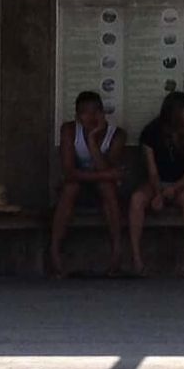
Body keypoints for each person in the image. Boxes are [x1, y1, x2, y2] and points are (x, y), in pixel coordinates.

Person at [50, 90, 129, 277]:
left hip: (102, 190)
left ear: (103, 113)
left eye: (95, 111)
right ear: (77, 116)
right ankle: (54, 252)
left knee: (107, 187)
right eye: (84, 112)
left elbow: (105, 165)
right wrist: (109, 174)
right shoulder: (69, 130)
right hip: (77, 188)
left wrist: (93, 141)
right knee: (70, 188)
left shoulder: (117, 135)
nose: (90, 117)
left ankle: (117, 251)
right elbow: (68, 172)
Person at [131, 89, 184, 277]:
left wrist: (175, 188)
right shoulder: (151, 132)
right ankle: (136, 259)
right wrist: (158, 194)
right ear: (175, 113)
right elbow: (152, 170)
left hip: (180, 183)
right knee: (137, 199)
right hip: (157, 182)